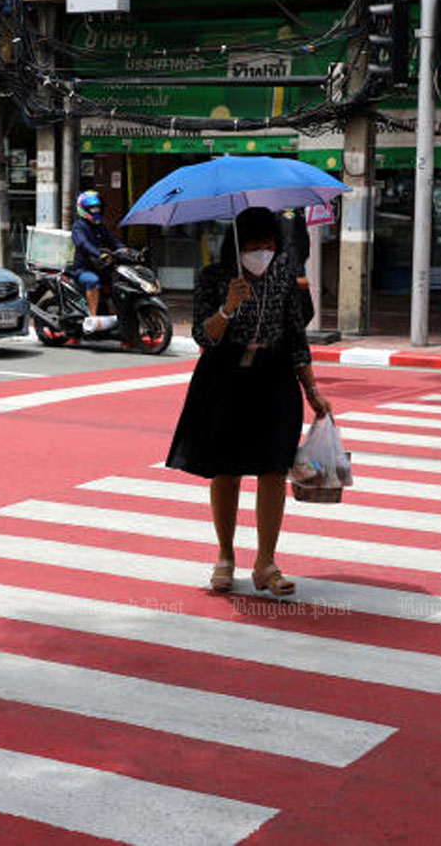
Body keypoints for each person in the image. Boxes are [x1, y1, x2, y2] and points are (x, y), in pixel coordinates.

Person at [166, 207, 331, 597]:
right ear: (238, 245)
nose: (263, 252)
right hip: (224, 380)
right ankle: (225, 556)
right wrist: (228, 306)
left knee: (274, 469)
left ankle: (266, 562)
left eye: (270, 244)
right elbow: (204, 337)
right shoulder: (213, 278)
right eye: (255, 244)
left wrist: (312, 390)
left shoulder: (284, 276)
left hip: (273, 379)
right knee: (226, 470)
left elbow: (295, 337)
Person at [70, 189, 123, 316]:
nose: (97, 211)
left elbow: (113, 242)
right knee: (92, 281)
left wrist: (126, 250)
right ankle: (92, 317)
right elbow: (83, 244)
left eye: (98, 208)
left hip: (102, 268)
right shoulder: (79, 226)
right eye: (93, 209)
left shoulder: (100, 227)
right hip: (83, 269)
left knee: (119, 284)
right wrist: (98, 254)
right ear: (84, 209)